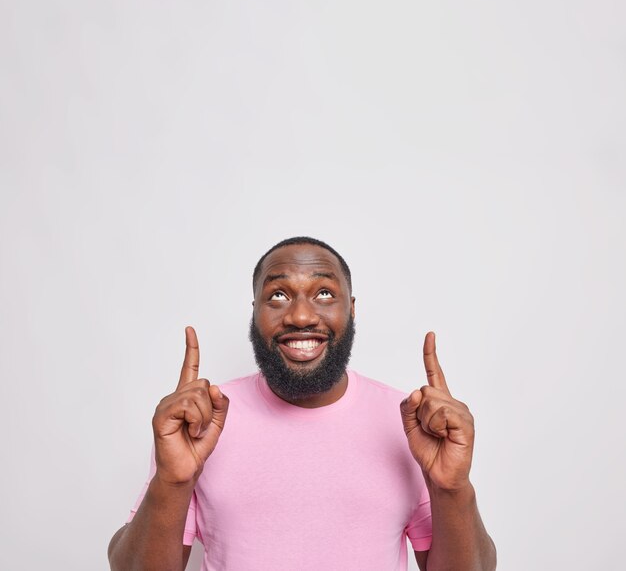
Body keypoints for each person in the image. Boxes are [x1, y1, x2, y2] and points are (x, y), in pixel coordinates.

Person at [108, 237, 496, 571]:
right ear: (255, 311)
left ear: (352, 309)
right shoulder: (201, 420)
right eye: (278, 295)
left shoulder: (411, 423)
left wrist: (452, 488)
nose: (301, 315)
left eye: (324, 292)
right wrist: (172, 481)